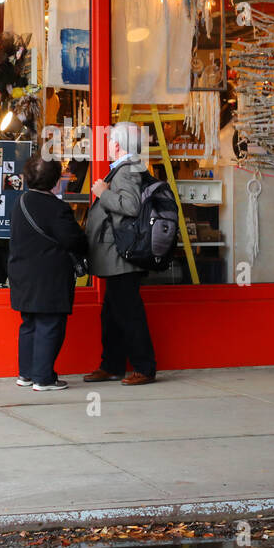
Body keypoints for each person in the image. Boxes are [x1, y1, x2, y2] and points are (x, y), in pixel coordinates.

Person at [84, 121, 158, 385]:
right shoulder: (127, 168)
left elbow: (131, 206)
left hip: (121, 256)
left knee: (128, 313)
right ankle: (112, 365)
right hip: (118, 256)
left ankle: (143, 367)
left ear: (116, 145)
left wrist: (103, 193)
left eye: (109, 141)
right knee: (114, 313)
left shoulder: (126, 172)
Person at [8, 154, 87, 391]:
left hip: (22, 274)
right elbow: (74, 240)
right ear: (54, 179)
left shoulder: (19, 202)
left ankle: (26, 374)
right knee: (50, 324)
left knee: (29, 323)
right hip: (49, 275)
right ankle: (44, 378)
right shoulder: (56, 208)